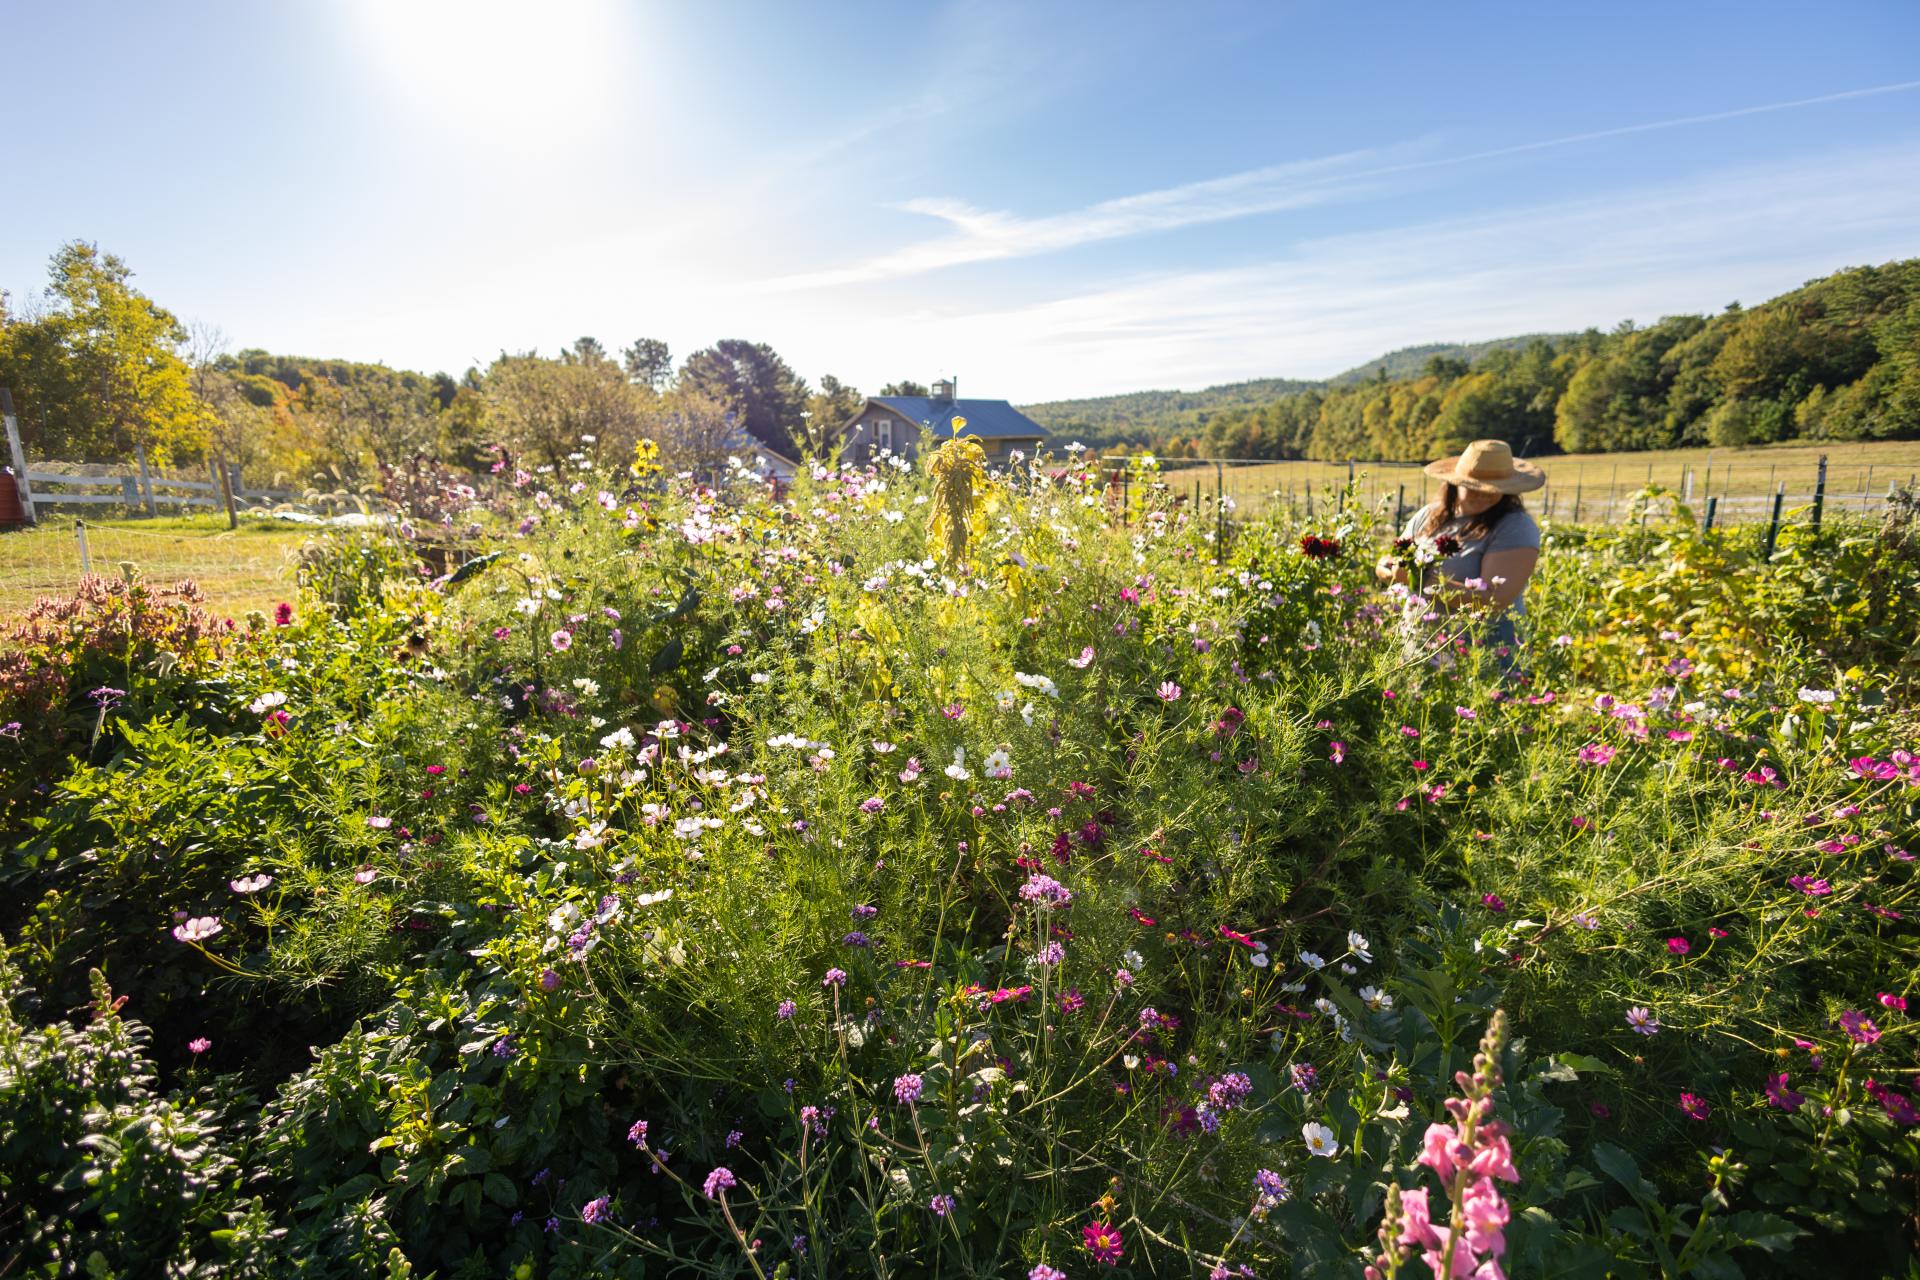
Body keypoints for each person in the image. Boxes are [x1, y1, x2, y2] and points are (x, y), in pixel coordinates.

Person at [1377, 439, 1545, 658]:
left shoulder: (1514, 527)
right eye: (1475, 487)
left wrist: (1419, 579)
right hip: (1420, 648)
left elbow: (1494, 600)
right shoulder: (1429, 515)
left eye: (1494, 489)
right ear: (1456, 483)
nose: (1484, 494)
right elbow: (1396, 558)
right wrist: (1384, 567)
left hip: (1482, 656)